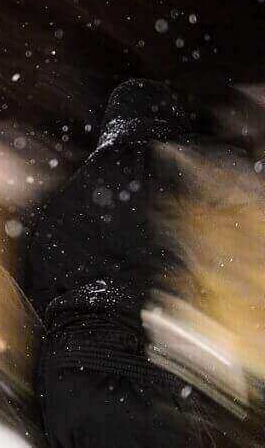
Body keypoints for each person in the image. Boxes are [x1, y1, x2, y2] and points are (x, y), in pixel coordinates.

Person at [25, 79, 213, 447]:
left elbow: (37, 289)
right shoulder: (160, 172)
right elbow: (178, 266)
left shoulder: (63, 197)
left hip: (62, 382)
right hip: (131, 369)